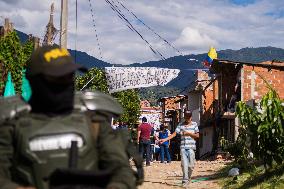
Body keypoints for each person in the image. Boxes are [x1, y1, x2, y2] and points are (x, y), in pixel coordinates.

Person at [0, 45, 136, 189]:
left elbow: (122, 171)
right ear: (35, 80)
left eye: (69, 76)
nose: (65, 83)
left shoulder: (94, 123)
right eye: (57, 78)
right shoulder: (12, 127)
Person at [160, 110, 199, 187]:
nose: (187, 119)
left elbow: (197, 136)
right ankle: (185, 181)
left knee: (191, 166)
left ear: (191, 117)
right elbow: (174, 134)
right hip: (183, 148)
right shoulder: (180, 125)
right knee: (184, 165)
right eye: (186, 117)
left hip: (191, 148)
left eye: (188, 117)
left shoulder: (195, 124)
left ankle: (188, 177)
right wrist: (165, 139)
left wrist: (188, 133)